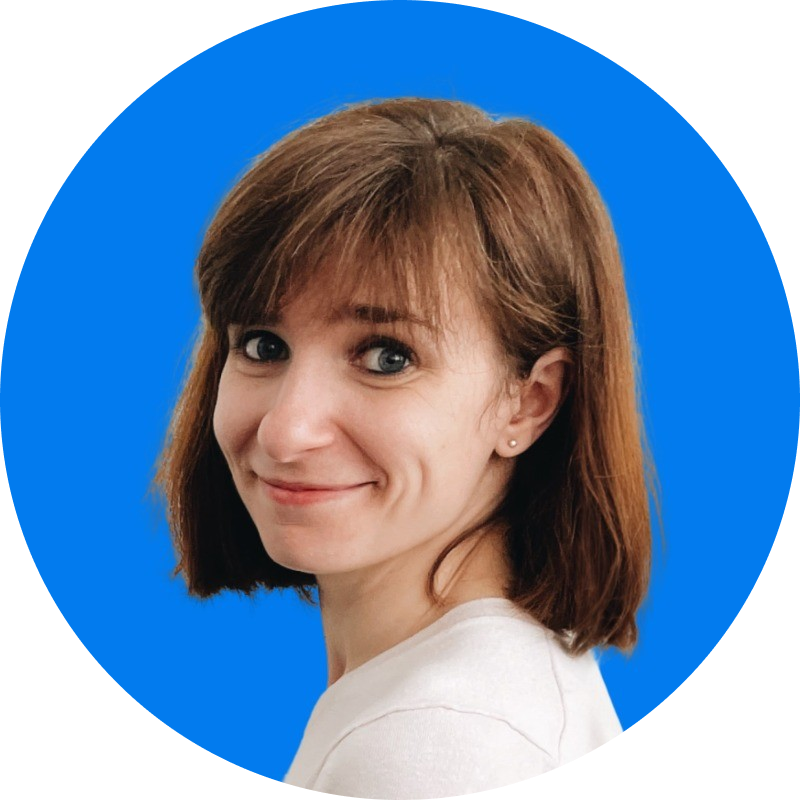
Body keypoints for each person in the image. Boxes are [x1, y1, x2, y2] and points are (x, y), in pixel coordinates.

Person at [156, 98, 655, 797]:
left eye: (387, 357)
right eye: (263, 346)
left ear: (530, 401)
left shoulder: (435, 744)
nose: (284, 432)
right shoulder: (456, 699)